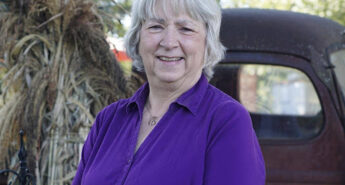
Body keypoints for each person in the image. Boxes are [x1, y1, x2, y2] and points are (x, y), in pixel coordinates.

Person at [72, 0, 266, 184]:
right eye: (156, 26)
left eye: (186, 29)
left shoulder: (226, 121)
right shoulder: (108, 120)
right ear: (138, 37)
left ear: (207, 43)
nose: (169, 42)